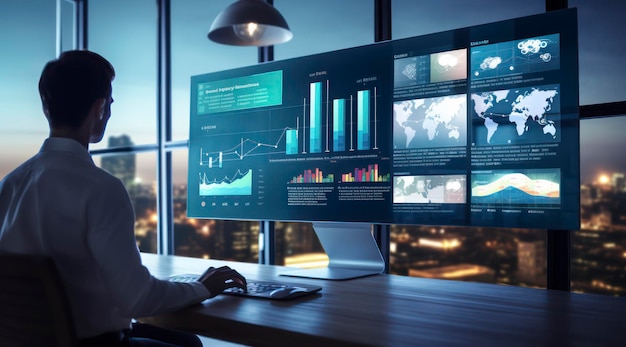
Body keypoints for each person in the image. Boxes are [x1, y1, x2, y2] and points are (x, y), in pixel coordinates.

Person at [0, 50, 247, 347]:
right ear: (101, 108)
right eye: (111, 103)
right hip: (95, 343)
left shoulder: (9, 185)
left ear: (46, 107)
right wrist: (201, 288)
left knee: (184, 339)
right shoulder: (101, 188)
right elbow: (138, 298)